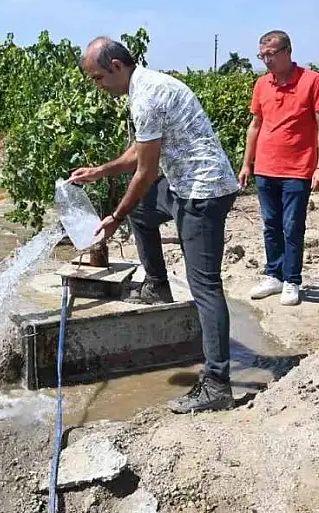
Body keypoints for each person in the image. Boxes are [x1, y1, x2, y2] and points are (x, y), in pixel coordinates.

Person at [68, 36, 241, 414]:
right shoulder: (143, 87)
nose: (98, 87)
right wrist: (102, 171)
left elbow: (145, 172)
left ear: (116, 67)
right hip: (183, 184)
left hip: (203, 192)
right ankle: (157, 286)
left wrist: (113, 216)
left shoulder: (146, 96)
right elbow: (140, 151)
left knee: (205, 286)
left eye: (98, 78)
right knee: (144, 211)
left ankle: (217, 383)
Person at [238, 30, 319, 306]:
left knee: (292, 226)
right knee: (270, 225)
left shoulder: (312, 80)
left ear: (288, 51)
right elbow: (255, 125)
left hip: (298, 169)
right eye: (262, 55)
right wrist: (247, 163)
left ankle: (292, 280)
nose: (266, 60)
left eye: (271, 54)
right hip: (266, 168)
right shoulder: (261, 84)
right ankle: (273, 275)